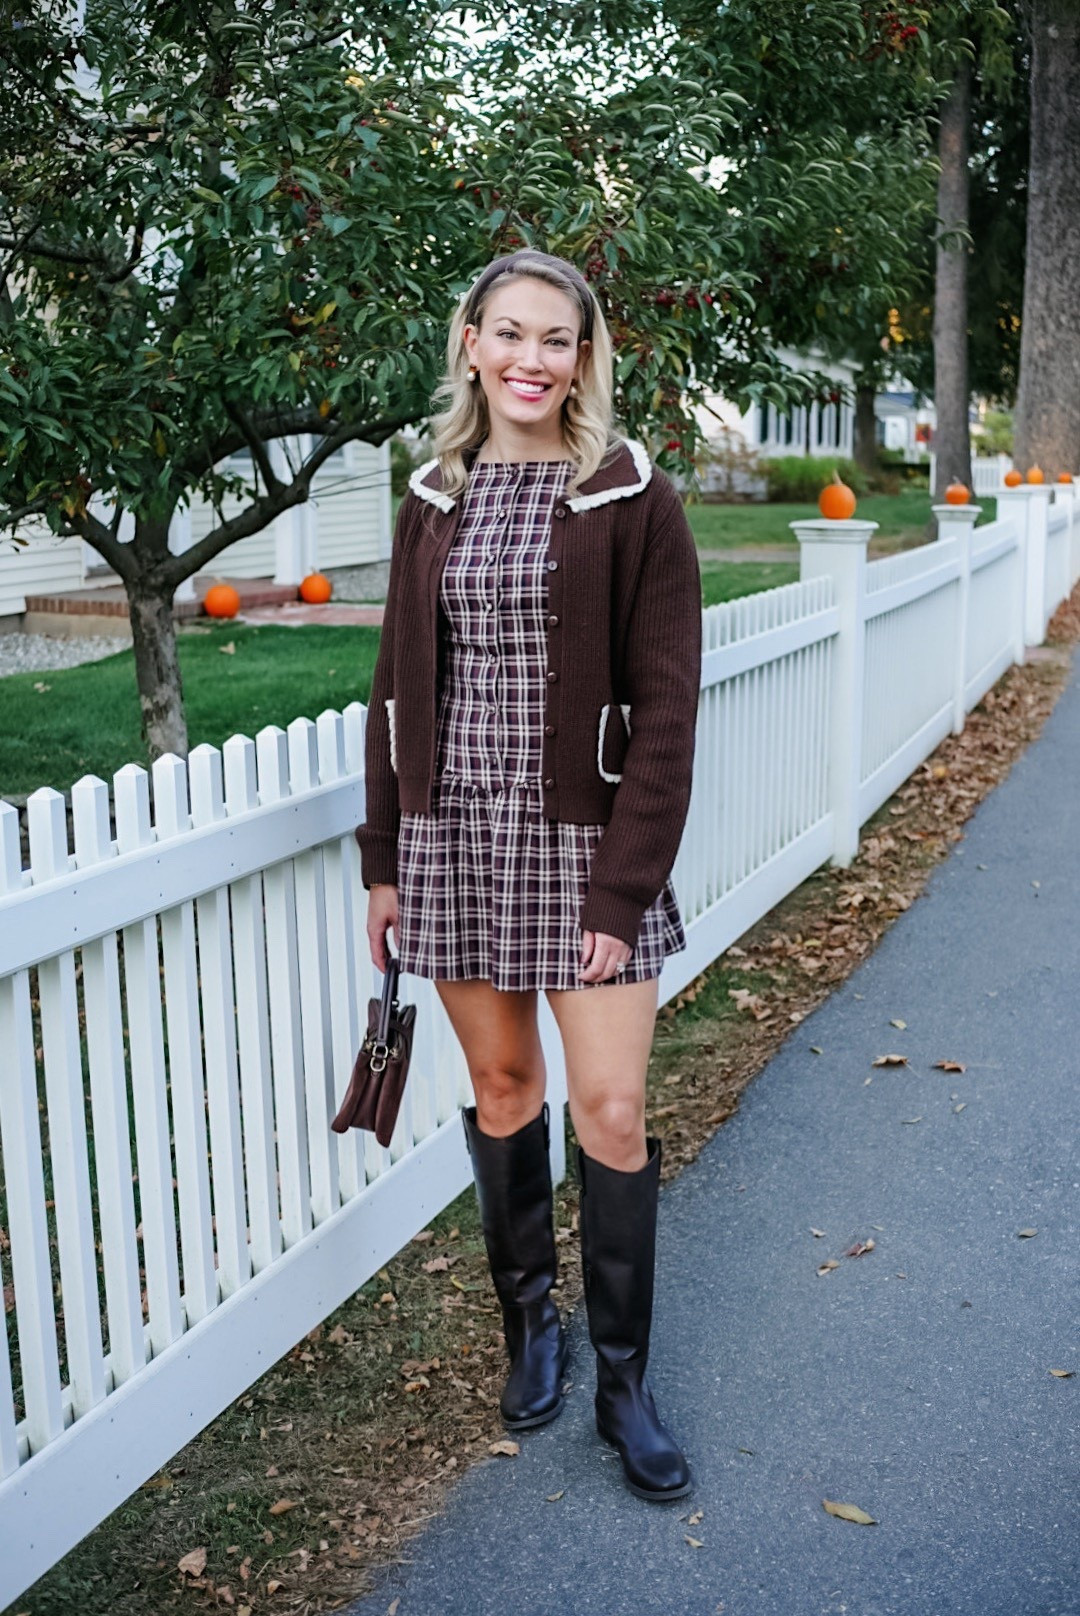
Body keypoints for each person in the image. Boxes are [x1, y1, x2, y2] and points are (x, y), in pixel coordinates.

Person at [355, 248, 702, 1503]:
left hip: (581, 848)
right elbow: (396, 687)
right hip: (452, 845)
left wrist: (621, 893)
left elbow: (667, 713)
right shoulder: (431, 499)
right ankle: (530, 1327)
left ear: (585, 356)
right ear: (470, 344)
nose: (529, 360)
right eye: (508, 333)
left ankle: (623, 1377)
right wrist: (385, 857)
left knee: (607, 1109)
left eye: (555, 339)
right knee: (504, 1087)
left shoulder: (629, 497)